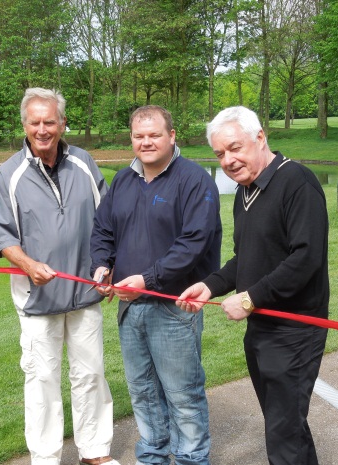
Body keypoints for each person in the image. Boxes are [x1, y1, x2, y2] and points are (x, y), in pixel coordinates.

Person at [177, 106, 330, 465]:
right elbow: (245, 258)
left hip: (294, 330)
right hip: (261, 326)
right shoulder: (247, 191)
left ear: (260, 137)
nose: (228, 160)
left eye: (235, 148)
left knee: (284, 432)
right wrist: (210, 286)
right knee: (286, 425)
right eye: (219, 154)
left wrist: (250, 299)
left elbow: (306, 258)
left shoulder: (298, 182)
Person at [0, 87, 120, 465]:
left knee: (90, 374)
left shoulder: (84, 162)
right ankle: (45, 457)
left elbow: (106, 223)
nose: (42, 129)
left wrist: (109, 267)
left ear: (63, 123)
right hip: (37, 299)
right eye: (35, 122)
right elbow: (2, 236)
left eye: (50, 121)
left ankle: (94, 452)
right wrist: (27, 264)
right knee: (42, 381)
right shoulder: (7, 175)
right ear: (24, 125)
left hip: (85, 294)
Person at [90, 105, 222, 465]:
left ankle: (191, 459)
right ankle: (152, 456)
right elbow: (103, 230)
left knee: (182, 393)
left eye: (154, 134)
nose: (146, 142)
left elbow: (194, 243)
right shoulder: (123, 181)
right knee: (143, 391)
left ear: (172, 136)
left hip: (174, 306)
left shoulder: (194, 180)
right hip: (129, 307)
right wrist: (102, 266)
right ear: (131, 139)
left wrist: (147, 280)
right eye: (138, 136)